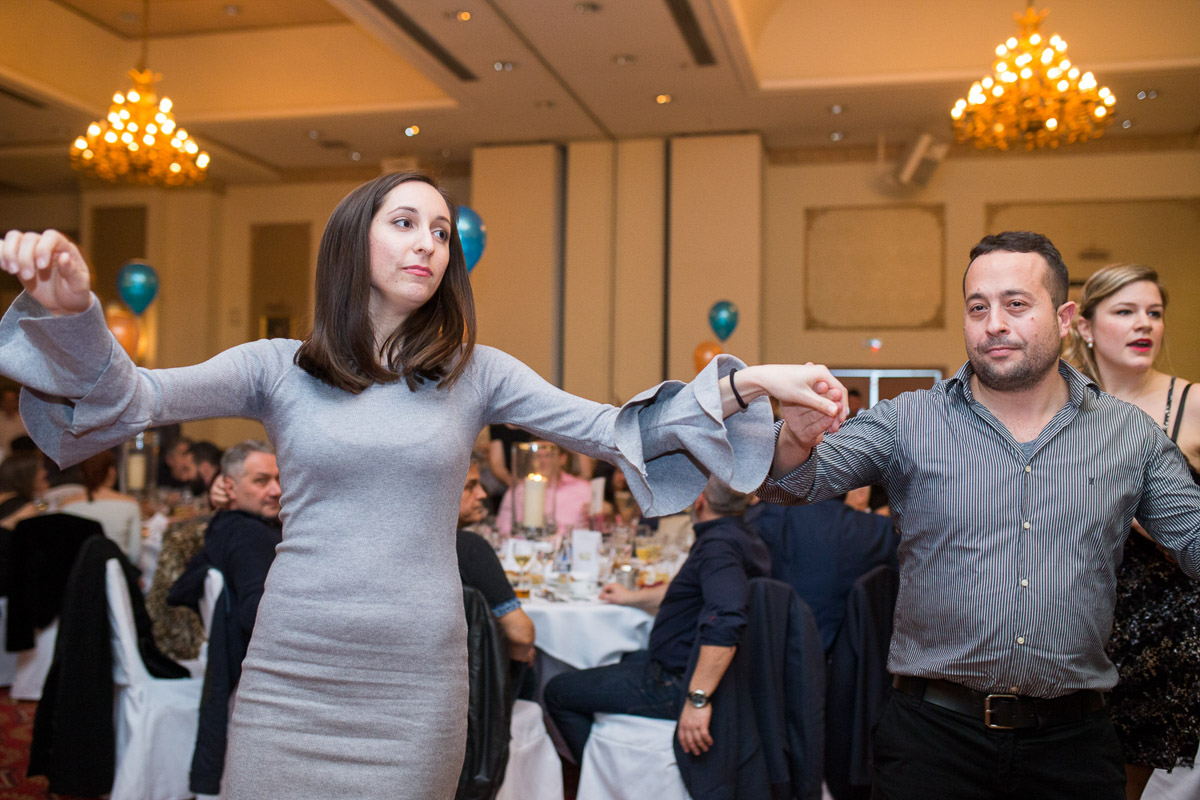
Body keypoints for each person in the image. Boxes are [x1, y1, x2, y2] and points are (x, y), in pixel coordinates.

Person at [0, 172, 846, 798]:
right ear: (354, 241)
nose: (428, 244)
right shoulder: (276, 369)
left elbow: (613, 429)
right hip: (290, 679)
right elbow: (133, 400)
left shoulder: (476, 374)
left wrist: (747, 383)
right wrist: (73, 314)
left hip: (415, 689)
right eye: (405, 223)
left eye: (440, 231)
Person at [749, 231, 1200, 800]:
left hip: (1073, 747)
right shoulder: (909, 421)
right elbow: (788, 483)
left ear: (1064, 319)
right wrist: (794, 436)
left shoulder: (1127, 434)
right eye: (978, 307)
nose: (994, 324)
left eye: (1016, 304)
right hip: (932, 743)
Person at [1064, 263, 1200, 798]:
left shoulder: (1192, 405)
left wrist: (1158, 517)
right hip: (1073, 627)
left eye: (1154, 313)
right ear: (1085, 326)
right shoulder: (1062, 406)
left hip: (1166, 634)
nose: (1145, 323)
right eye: (1125, 311)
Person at [543, 478, 770, 762]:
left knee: (558, 691)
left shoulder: (719, 547)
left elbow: (726, 616)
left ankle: (602, 774)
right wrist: (631, 597)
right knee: (620, 657)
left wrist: (697, 699)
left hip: (677, 680)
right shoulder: (740, 534)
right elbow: (692, 591)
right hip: (682, 666)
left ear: (699, 499)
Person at [168, 440, 283, 798]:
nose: (276, 490)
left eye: (279, 479)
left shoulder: (229, 524)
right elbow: (256, 613)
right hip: (267, 677)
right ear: (229, 487)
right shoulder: (250, 536)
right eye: (262, 480)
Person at [456, 455, 536, 665]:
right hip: (472, 676)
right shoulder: (469, 548)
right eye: (470, 487)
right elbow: (522, 635)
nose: (482, 494)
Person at [59, 449, 142, 562]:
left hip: (81, 571)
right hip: (117, 570)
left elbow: (65, 551)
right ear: (111, 472)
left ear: (82, 473)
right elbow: (135, 556)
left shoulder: (66, 506)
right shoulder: (130, 505)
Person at [0, 386, 27, 459]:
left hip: (17, 460)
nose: (9, 403)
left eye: (12, 400)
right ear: (1, 402)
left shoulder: (24, 422)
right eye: (6, 400)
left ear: (17, 402)